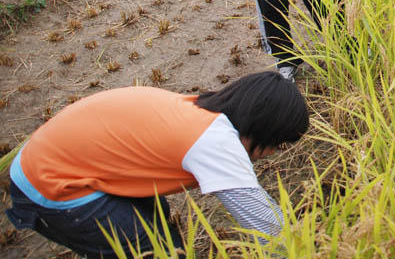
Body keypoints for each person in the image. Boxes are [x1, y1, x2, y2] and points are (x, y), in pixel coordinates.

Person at [5, 71, 309, 258]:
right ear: (263, 129)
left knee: (160, 227)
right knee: (152, 250)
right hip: (52, 184)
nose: (272, 153)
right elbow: (266, 226)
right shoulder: (215, 143)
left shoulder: (200, 110)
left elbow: (258, 208)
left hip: (47, 161)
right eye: (278, 144)